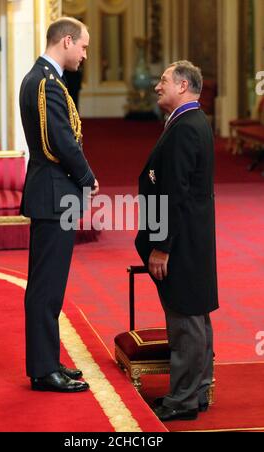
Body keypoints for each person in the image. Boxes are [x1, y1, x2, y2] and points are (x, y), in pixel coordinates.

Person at [135, 60, 219, 421]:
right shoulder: (192, 121)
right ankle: (198, 390)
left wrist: (161, 245)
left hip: (180, 240)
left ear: (183, 86)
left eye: (164, 80)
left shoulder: (185, 127)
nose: (157, 86)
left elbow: (174, 193)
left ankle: (182, 400)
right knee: (195, 313)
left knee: (185, 319)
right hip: (192, 236)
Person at [19, 17, 99, 393]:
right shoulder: (44, 83)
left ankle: (48, 361)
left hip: (55, 194)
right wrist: (87, 176)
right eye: (82, 46)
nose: (84, 54)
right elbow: (59, 141)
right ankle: (42, 370)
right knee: (45, 288)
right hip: (54, 195)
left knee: (50, 287)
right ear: (66, 41)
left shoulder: (47, 79)